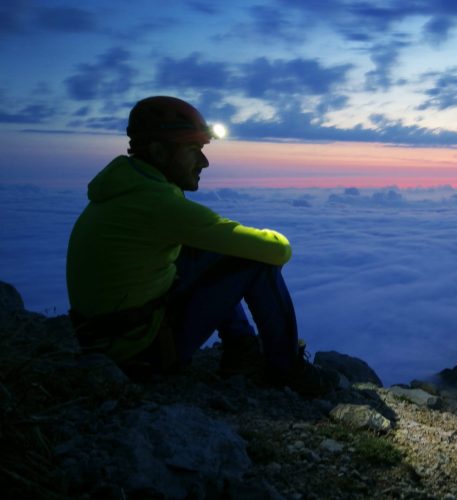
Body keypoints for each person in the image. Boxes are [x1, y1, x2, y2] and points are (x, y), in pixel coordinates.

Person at [66, 95, 337, 397]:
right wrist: (270, 238)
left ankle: (241, 350)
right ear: (158, 151)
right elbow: (277, 251)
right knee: (253, 260)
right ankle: (287, 370)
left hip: (106, 339)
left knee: (205, 252)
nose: (204, 162)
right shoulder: (160, 205)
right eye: (193, 150)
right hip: (140, 352)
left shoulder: (124, 190)